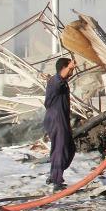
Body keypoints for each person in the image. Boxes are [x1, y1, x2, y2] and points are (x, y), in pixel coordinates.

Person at [43, 57, 77, 191]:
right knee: (60, 149)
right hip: (56, 118)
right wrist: (69, 67)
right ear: (64, 68)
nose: (72, 71)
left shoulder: (63, 83)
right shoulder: (55, 81)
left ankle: (54, 175)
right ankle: (57, 180)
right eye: (70, 68)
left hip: (62, 118)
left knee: (69, 148)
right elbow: (59, 80)